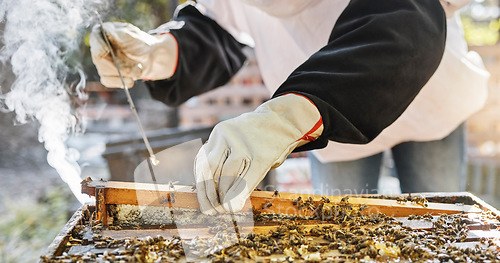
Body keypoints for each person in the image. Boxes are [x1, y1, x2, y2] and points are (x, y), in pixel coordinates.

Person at [90, 0, 488, 214]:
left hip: (425, 94)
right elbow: (217, 26)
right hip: (326, 121)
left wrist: (285, 119)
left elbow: (403, 24)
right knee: (340, 234)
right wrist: (158, 51)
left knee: (440, 220)